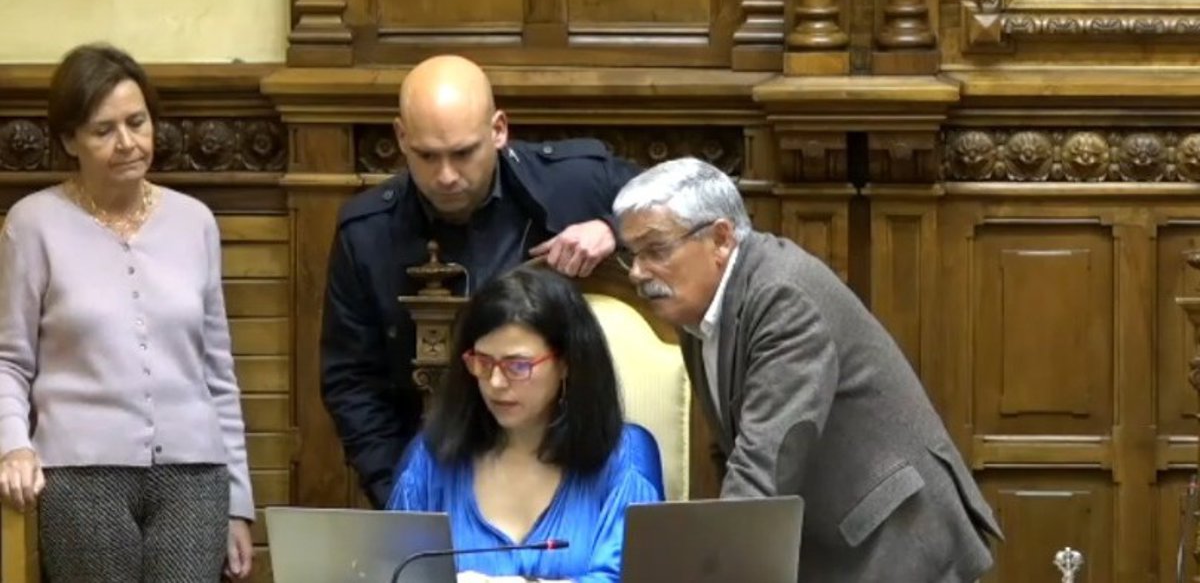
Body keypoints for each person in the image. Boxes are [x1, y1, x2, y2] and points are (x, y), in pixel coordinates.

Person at [612, 157, 1003, 583]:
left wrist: (710, 569)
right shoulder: (696, 307)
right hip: (835, 542)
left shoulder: (783, 297)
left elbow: (766, 458)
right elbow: (733, 449)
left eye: (656, 250)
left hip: (898, 540)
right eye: (632, 254)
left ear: (720, 239)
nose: (638, 273)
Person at [321, 54, 639, 507]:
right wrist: (404, 498)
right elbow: (351, 382)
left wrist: (614, 227)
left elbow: (697, 204)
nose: (446, 176)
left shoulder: (574, 182)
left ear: (498, 130)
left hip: (569, 469)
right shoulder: (367, 233)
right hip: (437, 472)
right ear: (401, 138)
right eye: (427, 156)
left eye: (463, 153)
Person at [0, 43, 254, 582]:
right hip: (79, 476)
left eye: (137, 122)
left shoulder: (195, 221)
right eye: (103, 130)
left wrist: (238, 504)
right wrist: (13, 447)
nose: (127, 143)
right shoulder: (32, 224)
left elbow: (218, 373)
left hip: (195, 478)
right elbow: (9, 361)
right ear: (69, 140)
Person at [387, 265, 662, 582]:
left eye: (517, 366)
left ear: (566, 363)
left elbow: (630, 578)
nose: (496, 382)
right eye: (483, 362)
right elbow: (394, 571)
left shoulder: (625, 454)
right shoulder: (432, 454)